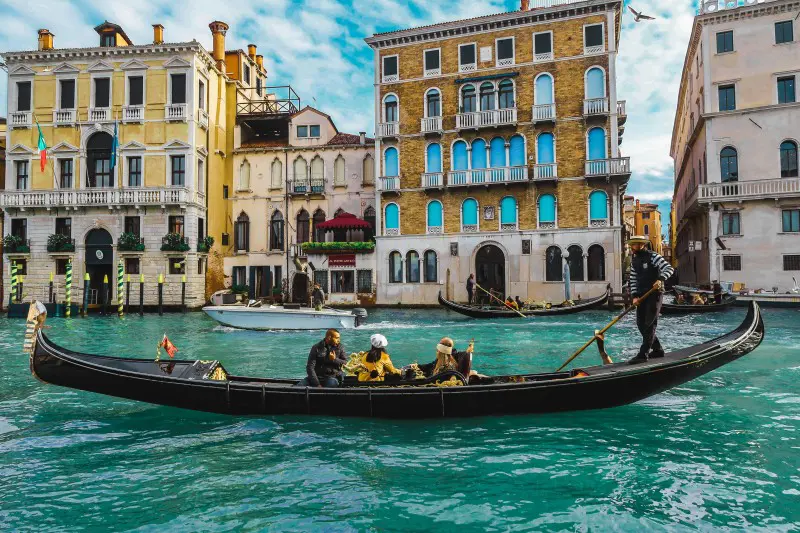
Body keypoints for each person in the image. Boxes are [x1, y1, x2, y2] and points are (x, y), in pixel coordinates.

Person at [628, 235, 675, 364]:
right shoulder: (634, 261)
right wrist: (635, 296)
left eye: (635, 244)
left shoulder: (653, 256)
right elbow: (633, 280)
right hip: (642, 295)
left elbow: (669, 268)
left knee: (649, 324)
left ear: (642, 245)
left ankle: (643, 354)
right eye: (632, 244)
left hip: (655, 294)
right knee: (640, 324)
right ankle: (658, 349)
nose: (633, 247)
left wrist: (660, 279)